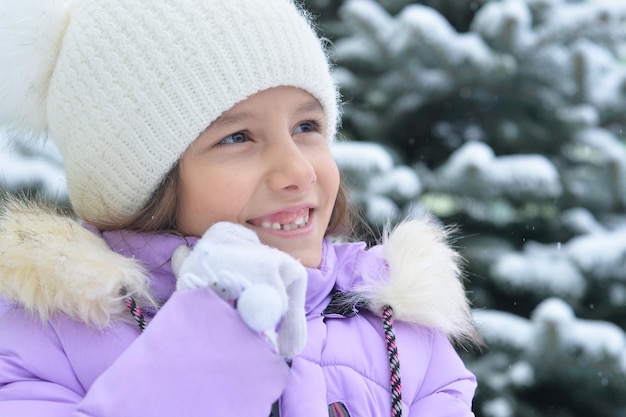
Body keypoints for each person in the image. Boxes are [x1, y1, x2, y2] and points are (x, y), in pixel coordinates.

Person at [0, 0, 483, 416]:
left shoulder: (403, 338)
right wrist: (215, 338)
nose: (297, 171)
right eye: (238, 137)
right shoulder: (40, 341)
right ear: (142, 182)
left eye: (307, 127)